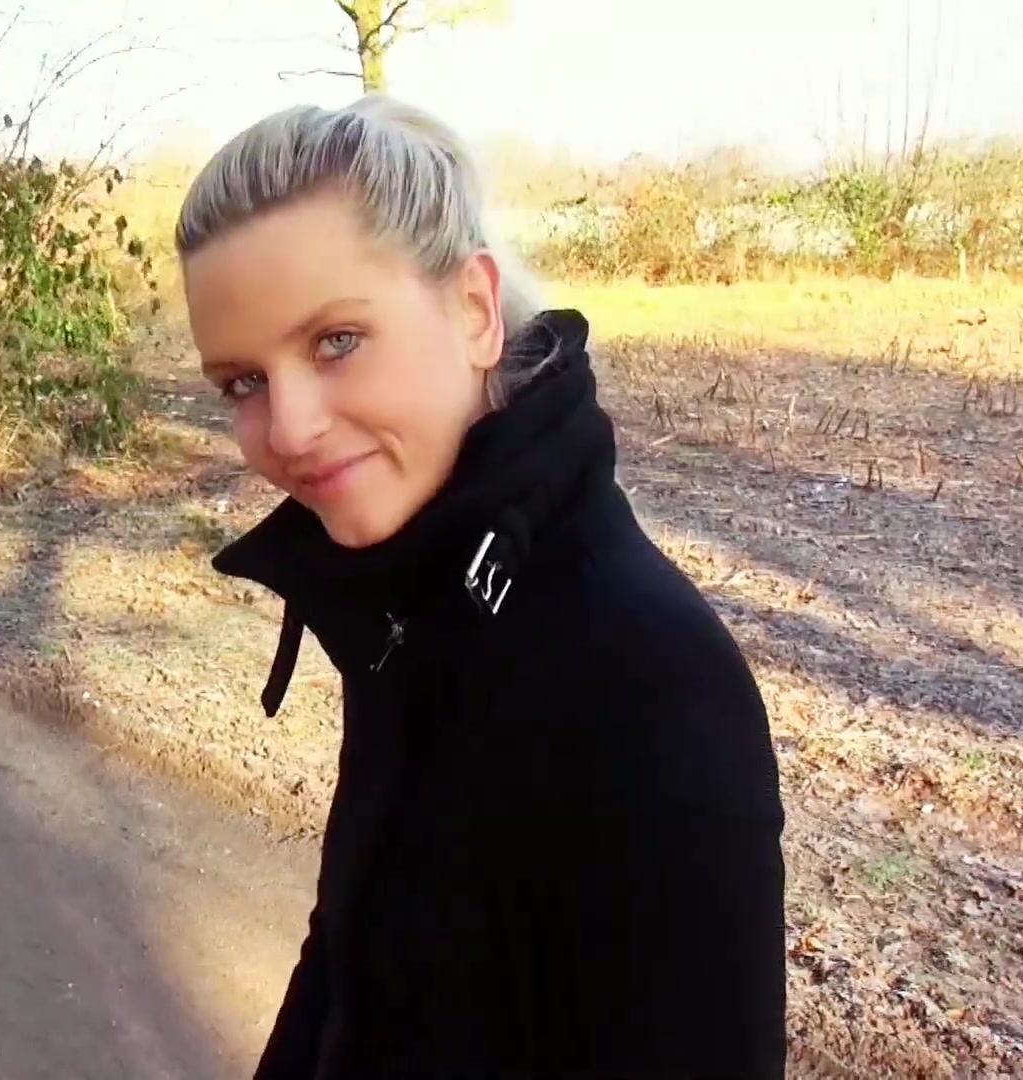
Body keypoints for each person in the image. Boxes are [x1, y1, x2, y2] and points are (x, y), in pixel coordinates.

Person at [172, 93, 788, 1079]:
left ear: (473, 310)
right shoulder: (412, 593)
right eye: (243, 382)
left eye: (336, 342)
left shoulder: (652, 680)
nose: (287, 429)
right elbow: (349, 954)